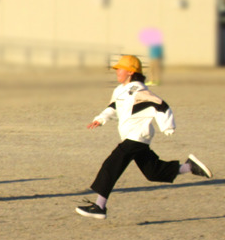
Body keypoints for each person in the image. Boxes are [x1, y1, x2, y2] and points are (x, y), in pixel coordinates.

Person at [76, 55, 213, 220]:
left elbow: (160, 105)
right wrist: (100, 119)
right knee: (153, 172)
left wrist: (167, 126)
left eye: (120, 68)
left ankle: (99, 206)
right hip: (131, 137)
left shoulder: (138, 91)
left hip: (137, 136)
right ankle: (190, 167)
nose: (117, 71)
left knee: (111, 165)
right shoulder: (119, 90)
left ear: (131, 72)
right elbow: (113, 108)